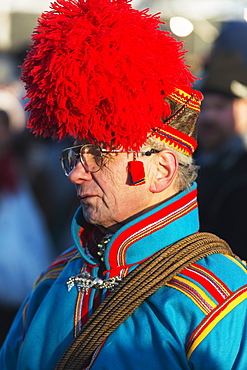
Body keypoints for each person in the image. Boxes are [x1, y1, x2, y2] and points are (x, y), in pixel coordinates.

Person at [1, 1, 247, 369]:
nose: (76, 174)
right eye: (75, 156)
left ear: (161, 170)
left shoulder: (223, 296)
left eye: (99, 155)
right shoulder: (54, 279)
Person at [195, 22, 247, 260]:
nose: (208, 116)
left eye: (221, 107)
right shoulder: (189, 164)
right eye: (203, 107)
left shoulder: (240, 175)